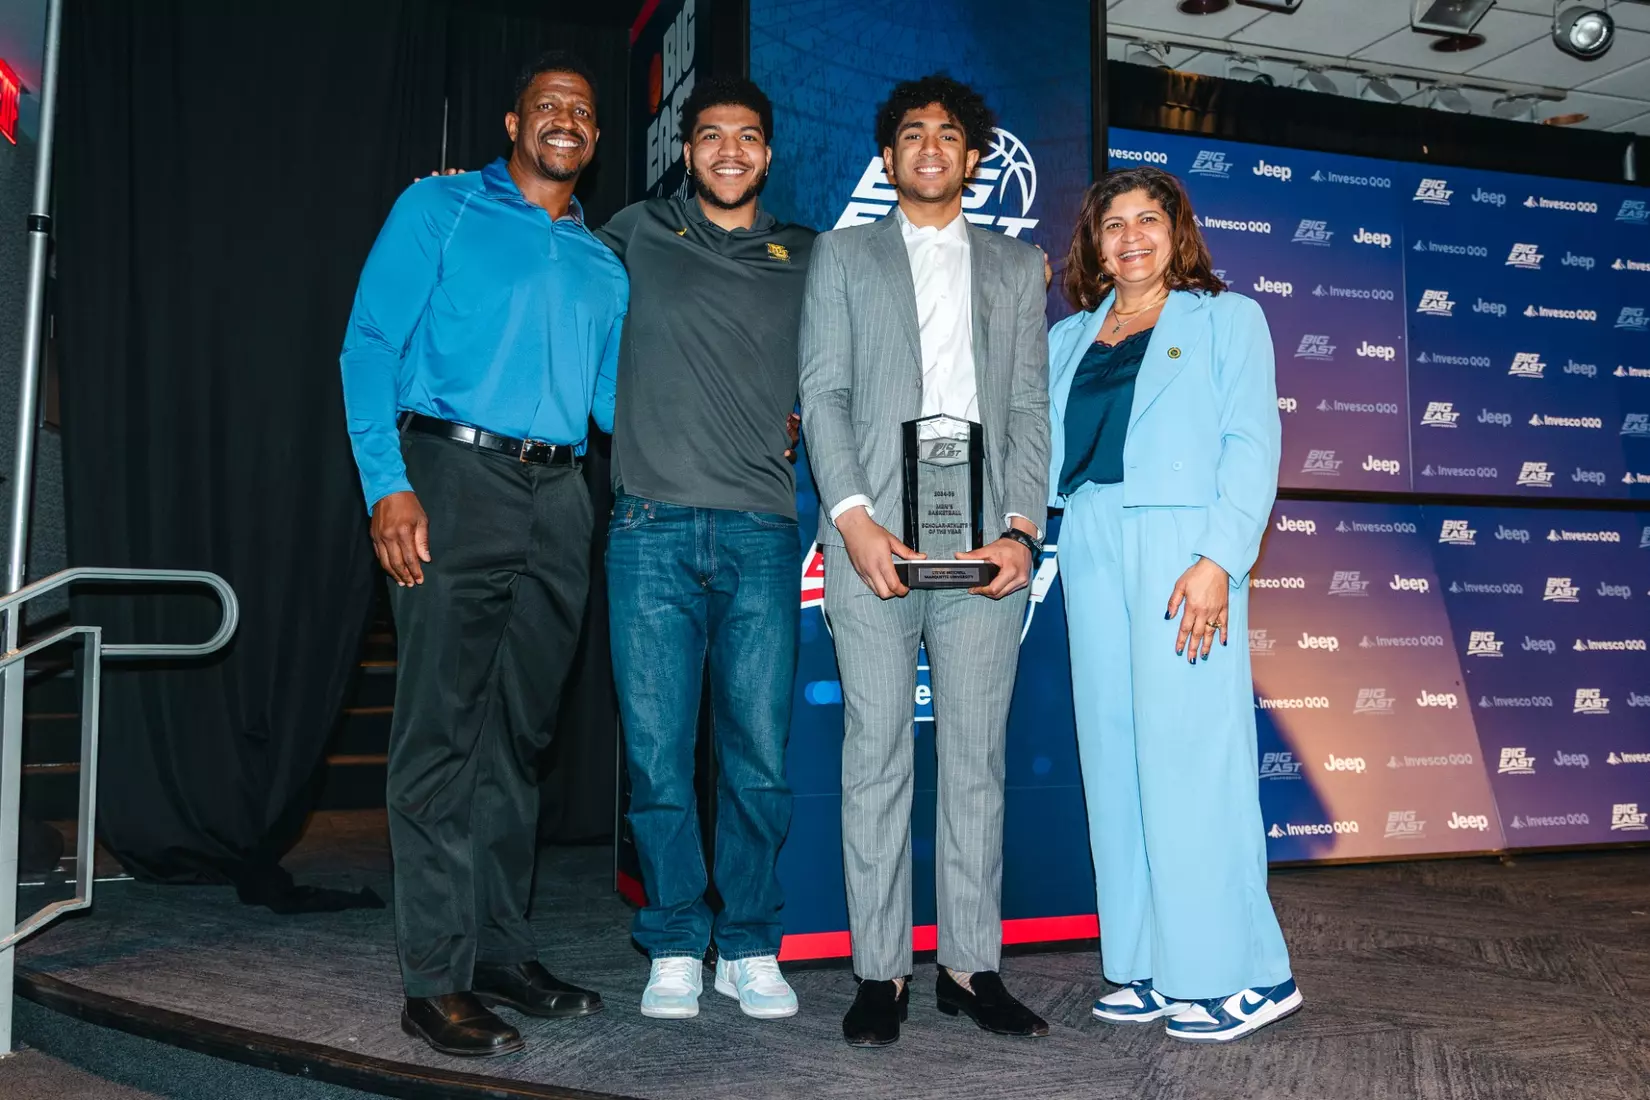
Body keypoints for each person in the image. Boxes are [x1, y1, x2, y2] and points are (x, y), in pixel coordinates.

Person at [339, 51, 623, 1058]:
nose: (565, 120)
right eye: (547, 105)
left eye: (582, 112)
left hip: (561, 498)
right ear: (513, 123)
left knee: (520, 739)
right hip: (449, 478)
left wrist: (737, 426)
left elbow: (615, 405)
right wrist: (389, 485)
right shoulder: (441, 208)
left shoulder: (602, 262)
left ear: (594, 138)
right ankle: (435, 978)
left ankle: (502, 951)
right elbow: (369, 342)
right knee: (440, 736)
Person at [799, 74, 1050, 1047]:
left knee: (978, 757)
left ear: (975, 157)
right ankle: (880, 973)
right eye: (913, 134)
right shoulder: (843, 253)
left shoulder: (1018, 268)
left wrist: (1022, 530)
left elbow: (1029, 410)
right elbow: (821, 393)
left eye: (950, 134)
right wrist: (853, 518)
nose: (932, 147)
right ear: (890, 157)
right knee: (876, 755)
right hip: (874, 543)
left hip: (986, 544)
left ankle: (969, 966)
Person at [1047, 165, 1299, 1043]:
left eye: (1148, 219)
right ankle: (1154, 961)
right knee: (1116, 759)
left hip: (1182, 549)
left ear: (1176, 231)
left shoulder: (1227, 319)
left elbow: (1250, 443)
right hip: (1088, 537)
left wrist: (1217, 561)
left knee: (1194, 758)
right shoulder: (1070, 337)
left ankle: (1248, 973)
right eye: (1112, 224)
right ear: (1094, 243)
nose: (1130, 237)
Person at [596, 77, 815, 1021]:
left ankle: (751, 943)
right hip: (648, 530)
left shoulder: (810, 254)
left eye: (749, 137)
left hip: (764, 533)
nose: (731, 150)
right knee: (657, 756)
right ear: (687, 153)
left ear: (769, 154)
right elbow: (542, 260)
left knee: (758, 755)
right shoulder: (636, 231)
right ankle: (677, 940)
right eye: (712, 136)